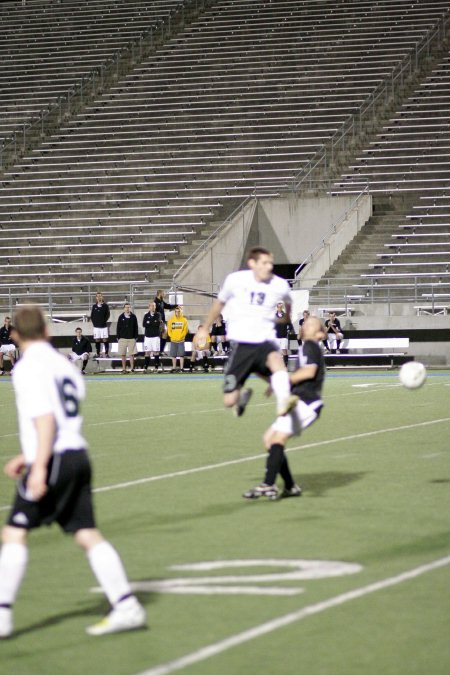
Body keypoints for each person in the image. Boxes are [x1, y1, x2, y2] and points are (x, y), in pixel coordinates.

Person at [0, 305, 146, 638]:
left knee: (13, 533)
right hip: (77, 454)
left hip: (53, 458)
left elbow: (46, 419)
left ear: (15, 335)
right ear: (47, 332)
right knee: (86, 533)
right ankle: (127, 606)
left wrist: (37, 466)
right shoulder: (63, 364)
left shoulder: (26, 368)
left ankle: (3, 615)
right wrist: (30, 455)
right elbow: (64, 415)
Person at [194, 246, 297, 418]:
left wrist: (286, 317)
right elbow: (219, 303)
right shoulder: (235, 280)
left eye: (270, 263)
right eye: (264, 263)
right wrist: (204, 328)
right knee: (229, 401)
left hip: (265, 340)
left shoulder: (279, 284)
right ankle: (242, 396)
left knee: (277, 362)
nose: (269, 267)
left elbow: (288, 302)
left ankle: (283, 404)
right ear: (252, 263)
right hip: (241, 344)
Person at [243, 316, 326, 500]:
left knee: (277, 439)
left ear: (320, 333)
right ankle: (290, 486)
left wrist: (284, 380)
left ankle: (268, 484)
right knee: (268, 440)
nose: (306, 324)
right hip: (299, 401)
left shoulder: (311, 345)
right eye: (304, 322)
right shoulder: (306, 347)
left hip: (306, 402)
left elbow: (309, 372)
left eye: (311, 323)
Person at [116, 303, 139, 373]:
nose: (127, 309)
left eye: (128, 307)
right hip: (122, 338)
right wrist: (118, 337)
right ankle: (124, 369)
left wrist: (136, 337)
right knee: (123, 355)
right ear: (124, 308)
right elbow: (118, 327)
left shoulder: (133, 317)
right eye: (126, 307)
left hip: (131, 338)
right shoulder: (121, 317)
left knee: (132, 354)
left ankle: (132, 369)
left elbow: (136, 327)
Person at [154, 290, 177, 357]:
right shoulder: (155, 302)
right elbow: (154, 312)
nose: (164, 295)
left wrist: (176, 306)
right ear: (160, 294)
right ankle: (158, 351)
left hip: (162, 321)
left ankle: (161, 350)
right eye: (163, 293)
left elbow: (167, 306)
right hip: (158, 322)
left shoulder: (161, 301)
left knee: (164, 334)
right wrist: (158, 320)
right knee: (159, 336)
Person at [142, 302, 163, 372]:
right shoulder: (146, 315)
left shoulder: (158, 314)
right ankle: (145, 368)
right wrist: (153, 322)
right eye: (152, 306)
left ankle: (156, 367)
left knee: (156, 352)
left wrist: (150, 322)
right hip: (147, 337)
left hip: (155, 337)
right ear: (149, 307)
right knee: (147, 352)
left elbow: (157, 324)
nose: (153, 307)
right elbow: (144, 324)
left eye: (154, 306)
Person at [167, 306, 188, 372]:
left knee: (181, 355)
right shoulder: (171, 320)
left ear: (181, 312)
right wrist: (173, 337)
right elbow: (169, 331)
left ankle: (181, 368)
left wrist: (180, 337)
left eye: (179, 311)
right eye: (176, 311)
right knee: (173, 355)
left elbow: (185, 330)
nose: (177, 313)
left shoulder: (184, 320)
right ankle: (174, 368)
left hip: (181, 340)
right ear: (175, 312)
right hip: (173, 340)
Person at [90, 292, 110, 358]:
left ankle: (106, 353)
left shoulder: (105, 306)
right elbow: (92, 316)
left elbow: (108, 315)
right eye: (97, 296)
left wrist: (103, 321)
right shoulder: (94, 306)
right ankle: (98, 353)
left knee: (105, 339)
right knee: (97, 340)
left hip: (103, 326)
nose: (99, 297)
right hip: (96, 327)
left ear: (102, 297)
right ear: (96, 297)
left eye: (100, 296)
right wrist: (95, 323)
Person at [275, 302, 294, 367]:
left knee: (284, 350)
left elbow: (290, 325)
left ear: (282, 307)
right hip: (276, 336)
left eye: (281, 307)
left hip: (283, 336)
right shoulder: (274, 316)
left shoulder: (286, 315)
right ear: (277, 307)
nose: (280, 308)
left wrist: (288, 330)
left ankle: (285, 365)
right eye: (279, 307)